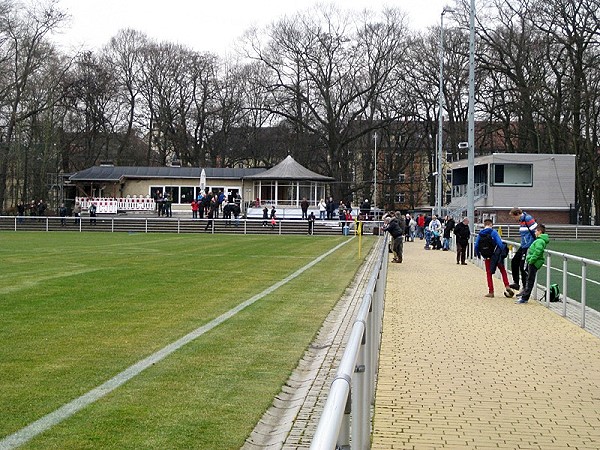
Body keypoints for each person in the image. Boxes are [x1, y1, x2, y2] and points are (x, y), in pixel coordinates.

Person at [474, 219, 514, 298]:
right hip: (496, 256)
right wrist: (501, 253)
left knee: (489, 273)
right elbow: (499, 244)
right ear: (491, 225)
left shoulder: (480, 234)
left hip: (487, 257)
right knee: (502, 270)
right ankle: (507, 285)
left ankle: (491, 291)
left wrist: (478, 255)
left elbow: (476, 246)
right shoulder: (494, 232)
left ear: (484, 225)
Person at [515, 224, 549, 304]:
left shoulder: (540, 241)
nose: (535, 232)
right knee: (529, 279)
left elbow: (538, 251)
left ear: (540, 231)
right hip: (533, 262)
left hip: (534, 263)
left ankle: (525, 298)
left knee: (530, 280)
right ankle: (524, 297)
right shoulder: (539, 240)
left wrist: (531, 260)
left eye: (536, 231)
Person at [508, 207, 538, 290]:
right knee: (514, 261)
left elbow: (536, 232)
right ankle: (516, 283)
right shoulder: (521, 221)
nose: (514, 219)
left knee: (523, 267)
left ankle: (525, 288)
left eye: (514, 217)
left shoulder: (528, 219)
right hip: (524, 245)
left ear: (518, 214)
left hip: (529, 246)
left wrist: (536, 245)